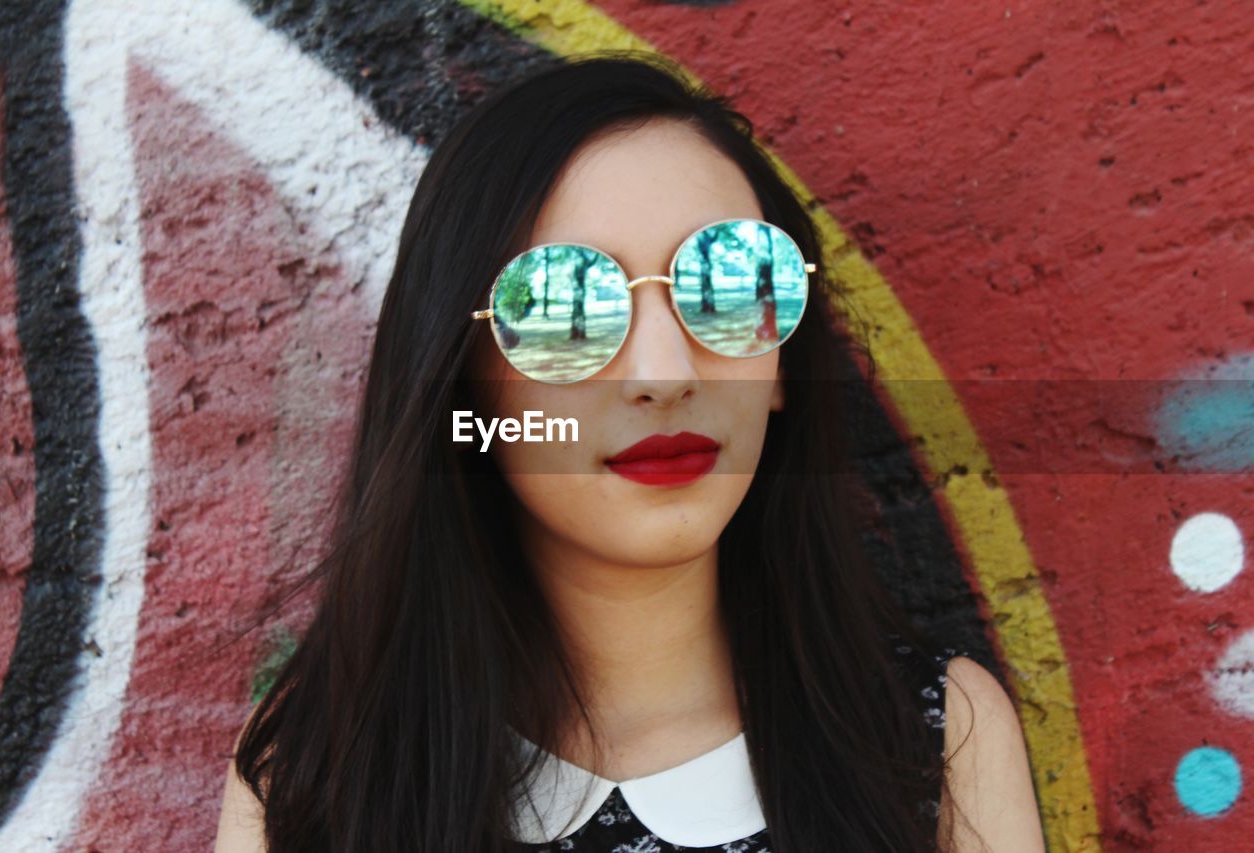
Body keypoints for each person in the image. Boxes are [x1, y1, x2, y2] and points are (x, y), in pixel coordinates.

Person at [215, 51, 1044, 852]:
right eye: (566, 301)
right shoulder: (318, 769)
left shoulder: (930, 737)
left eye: (727, 285)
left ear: (782, 365)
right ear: (463, 382)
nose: (664, 373)